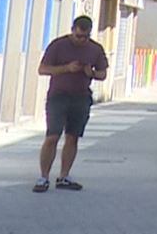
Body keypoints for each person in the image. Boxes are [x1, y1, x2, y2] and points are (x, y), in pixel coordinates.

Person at [34, 16, 109, 193]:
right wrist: (67, 68)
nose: (81, 40)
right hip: (58, 97)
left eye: (85, 37)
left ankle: (64, 176)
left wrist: (90, 73)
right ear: (72, 30)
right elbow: (42, 69)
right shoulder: (58, 45)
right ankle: (43, 177)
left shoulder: (95, 49)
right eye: (78, 36)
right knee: (52, 136)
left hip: (81, 97)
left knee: (73, 137)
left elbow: (102, 74)